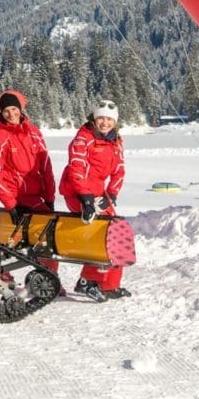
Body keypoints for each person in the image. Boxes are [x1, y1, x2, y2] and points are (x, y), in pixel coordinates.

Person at [60, 99, 129, 300]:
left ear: (115, 122)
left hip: (99, 191)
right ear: (94, 118)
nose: (105, 123)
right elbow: (76, 169)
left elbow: (119, 170)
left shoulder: (115, 140)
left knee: (116, 230)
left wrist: (112, 194)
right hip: (77, 190)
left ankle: (109, 284)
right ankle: (87, 281)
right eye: (101, 118)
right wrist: (87, 200)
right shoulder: (83, 138)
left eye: (109, 119)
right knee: (99, 233)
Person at [0, 89, 55, 213]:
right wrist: (11, 205)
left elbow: (46, 168)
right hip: (15, 198)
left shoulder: (34, 132)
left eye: (14, 109)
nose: (11, 114)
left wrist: (50, 198)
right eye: (6, 111)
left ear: (19, 109)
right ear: (2, 112)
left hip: (36, 196)